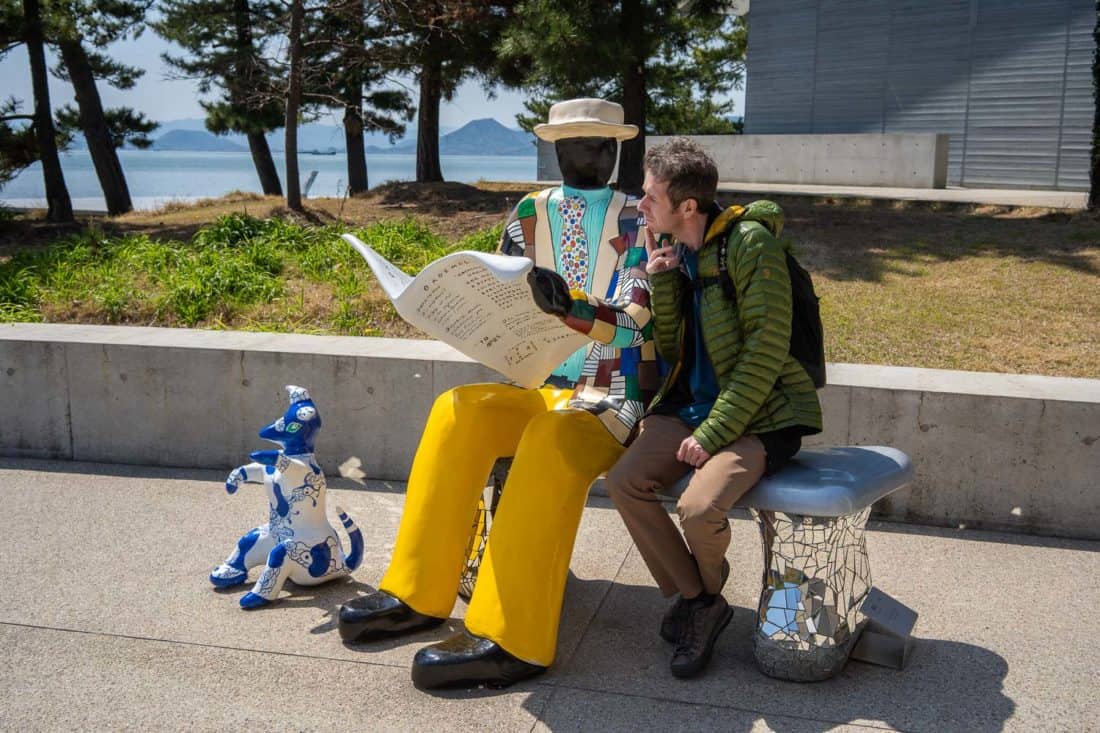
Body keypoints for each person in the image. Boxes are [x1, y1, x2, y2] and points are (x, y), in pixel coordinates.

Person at [337, 98, 659, 689]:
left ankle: (515, 635)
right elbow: (501, 287)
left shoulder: (641, 217)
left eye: (603, 142)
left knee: (552, 439)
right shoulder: (528, 213)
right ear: (556, 149)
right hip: (543, 381)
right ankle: (416, 592)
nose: (594, 153)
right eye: (580, 141)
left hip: (613, 393)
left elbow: (639, 314)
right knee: (458, 411)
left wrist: (574, 308)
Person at [605, 137, 822, 679]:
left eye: (650, 197)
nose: (641, 205)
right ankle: (702, 601)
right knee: (625, 481)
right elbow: (680, 352)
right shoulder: (680, 250)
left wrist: (715, 432)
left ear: (688, 207)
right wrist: (662, 279)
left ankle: (697, 598)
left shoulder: (750, 246)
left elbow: (765, 352)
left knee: (699, 510)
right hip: (692, 406)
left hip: (762, 415)